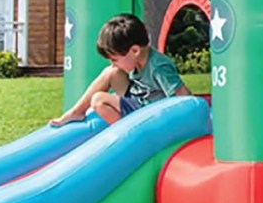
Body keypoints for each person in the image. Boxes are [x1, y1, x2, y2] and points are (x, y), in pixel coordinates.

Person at [50, 13, 190, 126]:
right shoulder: (139, 58)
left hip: (149, 112)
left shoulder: (158, 67)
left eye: (115, 59)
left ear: (134, 50)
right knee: (110, 73)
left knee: (99, 100)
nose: (113, 63)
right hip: (139, 99)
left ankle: (128, 132)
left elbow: (185, 97)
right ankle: (77, 111)